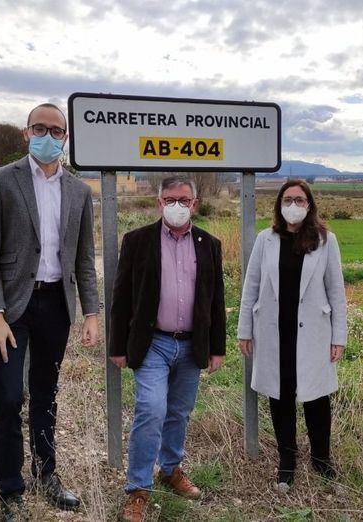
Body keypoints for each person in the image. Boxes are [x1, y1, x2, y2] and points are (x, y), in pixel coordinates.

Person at [0, 103, 100, 520]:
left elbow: (83, 260)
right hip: (11, 311)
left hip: (56, 307)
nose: (49, 136)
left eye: (57, 131)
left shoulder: (80, 192)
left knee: (46, 396)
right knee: (9, 397)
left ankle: (46, 474)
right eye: (40, 128)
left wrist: (91, 313)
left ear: (66, 138)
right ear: (27, 133)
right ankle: (10, 490)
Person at [109, 177, 226, 522]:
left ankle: (170, 469)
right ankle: (138, 488)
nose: (178, 205)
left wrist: (216, 347)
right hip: (153, 343)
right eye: (171, 199)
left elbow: (215, 300)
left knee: (179, 412)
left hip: (192, 346)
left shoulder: (210, 244)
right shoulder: (138, 241)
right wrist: (118, 346)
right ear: (159, 203)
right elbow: (121, 297)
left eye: (184, 199)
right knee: (151, 409)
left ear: (195, 203)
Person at [237, 179, 347, 492]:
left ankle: (322, 460)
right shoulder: (266, 239)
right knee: (280, 397)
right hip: (274, 331)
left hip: (313, 332)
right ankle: (287, 461)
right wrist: (245, 329)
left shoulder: (326, 241)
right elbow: (251, 287)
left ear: (309, 205)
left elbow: (336, 291)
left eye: (300, 199)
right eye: (288, 199)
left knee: (316, 398)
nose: (294, 205)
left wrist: (338, 336)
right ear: (279, 204)